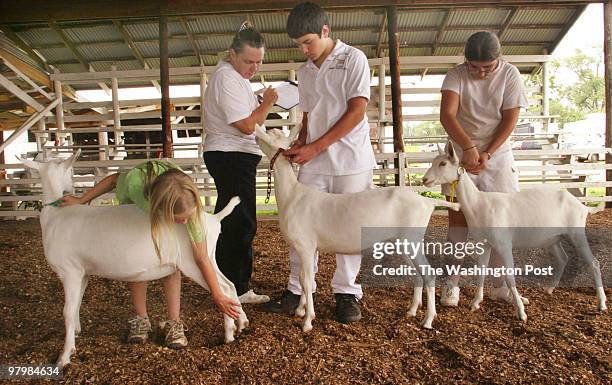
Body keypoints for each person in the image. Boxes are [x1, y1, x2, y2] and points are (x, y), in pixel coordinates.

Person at [266, 2, 376, 324]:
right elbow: (310, 114)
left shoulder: (353, 58)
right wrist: (302, 141)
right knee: (300, 224)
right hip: (314, 160)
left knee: (351, 225)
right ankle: (297, 290)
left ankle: (347, 293)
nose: (304, 49)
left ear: (325, 31)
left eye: (308, 42)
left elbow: (357, 111)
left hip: (351, 159)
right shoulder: (305, 70)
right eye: (298, 44)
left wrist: (316, 146)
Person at [60, 160, 242, 348]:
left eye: (188, 216)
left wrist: (217, 295)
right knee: (137, 259)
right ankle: (141, 318)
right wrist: (82, 200)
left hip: (165, 194)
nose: (185, 221)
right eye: (180, 219)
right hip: (135, 208)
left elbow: (202, 258)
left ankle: (174, 321)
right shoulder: (134, 184)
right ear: (162, 211)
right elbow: (113, 180)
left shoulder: (188, 202)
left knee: (172, 260)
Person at [438, 31, 529, 307]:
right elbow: (447, 115)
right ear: (466, 61)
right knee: (458, 219)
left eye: (486, 68)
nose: (479, 73)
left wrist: (487, 152)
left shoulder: (510, 74)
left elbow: (510, 118)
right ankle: (451, 283)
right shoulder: (455, 75)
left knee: (502, 222)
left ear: (498, 59)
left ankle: (500, 284)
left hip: (497, 156)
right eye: (473, 66)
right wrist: (468, 148)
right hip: (460, 157)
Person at [203, 22, 277, 305]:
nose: (254, 67)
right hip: (231, 155)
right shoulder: (227, 78)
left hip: (232, 155)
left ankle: (223, 283)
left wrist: (256, 100)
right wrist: (267, 102)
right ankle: (236, 287)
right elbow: (247, 125)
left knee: (231, 219)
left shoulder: (236, 78)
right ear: (232, 53)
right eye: (248, 61)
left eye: (258, 62)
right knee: (240, 222)